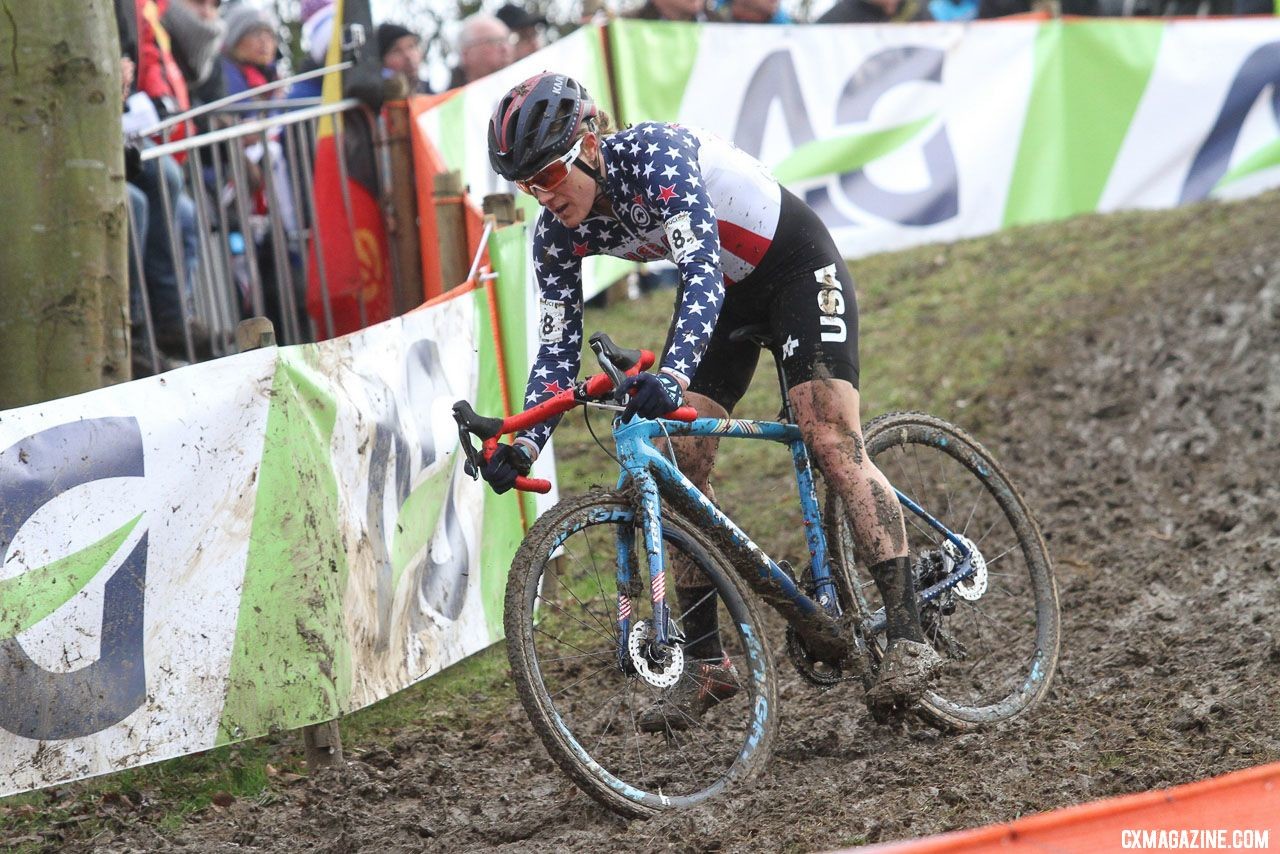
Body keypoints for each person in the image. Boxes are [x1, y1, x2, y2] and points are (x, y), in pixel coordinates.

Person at [481, 73, 943, 725]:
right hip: (725, 294)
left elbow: (700, 272)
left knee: (827, 432)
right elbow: (557, 352)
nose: (543, 196)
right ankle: (706, 663)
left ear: (589, 141)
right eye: (526, 186)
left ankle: (909, 637)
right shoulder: (556, 235)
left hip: (794, 270)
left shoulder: (656, 160)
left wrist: (670, 376)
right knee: (679, 453)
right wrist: (524, 441)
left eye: (550, 175)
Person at [446, 14, 514, 89]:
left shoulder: (523, 92)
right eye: (493, 41)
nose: (505, 49)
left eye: (507, 40)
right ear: (466, 54)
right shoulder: (451, 99)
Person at [377, 22, 433, 96]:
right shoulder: (375, 104)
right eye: (396, 50)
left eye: (411, 46)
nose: (408, 56)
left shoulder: (437, 100)